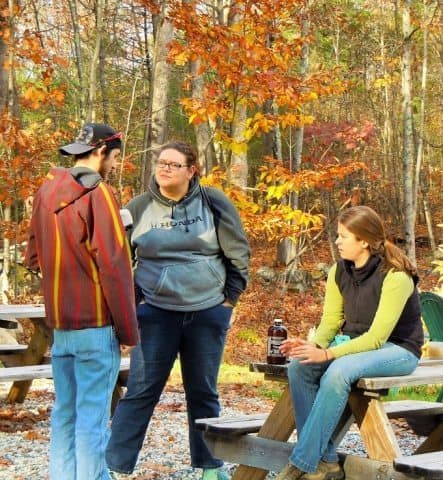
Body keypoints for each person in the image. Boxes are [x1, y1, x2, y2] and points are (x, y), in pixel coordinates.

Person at [106, 141, 250, 480]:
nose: (164, 168)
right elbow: (119, 260)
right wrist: (135, 301)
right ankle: (115, 466)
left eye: (173, 164)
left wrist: (228, 300)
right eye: (161, 162)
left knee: (202, 390)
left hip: (207, 311)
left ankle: (210, 467)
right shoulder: (138, 207)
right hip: (155, 313)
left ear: (191, 170)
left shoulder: (214, 203)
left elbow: (238, 251)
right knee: (141, 390)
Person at [25, 123, 140, 480]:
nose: (115, 164)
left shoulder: (46, 191)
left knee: (65, 415)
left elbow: (31, 257)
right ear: (101, 152)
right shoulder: (98, 194)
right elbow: (115, 267)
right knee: (91, 421)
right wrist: (128, 331)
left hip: (60, 326)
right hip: (96, 326)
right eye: (115, 157)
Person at [276, 205, 424, 480]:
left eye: (343, 236)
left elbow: (377, 337)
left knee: (338, 371)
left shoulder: (396, 276)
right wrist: (313, 348)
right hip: (359, 345)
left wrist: (330, 354)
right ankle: (327, 462)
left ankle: (302, 462)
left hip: (399, 349)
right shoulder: (339, 271)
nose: (337, 241)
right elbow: (331, 321)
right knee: (300, 366)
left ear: (364, 240)